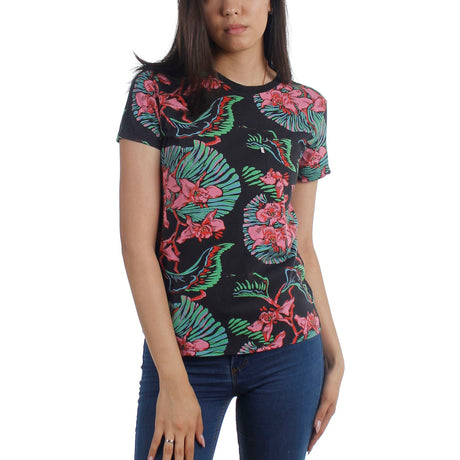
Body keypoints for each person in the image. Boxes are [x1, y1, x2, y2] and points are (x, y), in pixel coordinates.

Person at [116, 1, 345, 459]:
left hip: (290, 350)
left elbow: (300, 242)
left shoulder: (306, 107)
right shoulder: (156, 93)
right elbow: (137, 247)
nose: (231, 8)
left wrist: (334, 352)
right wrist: (173, 381)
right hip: (184, 356)